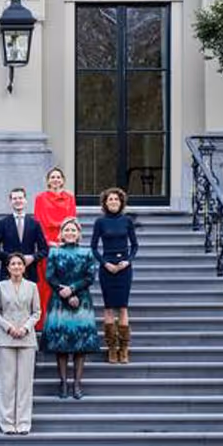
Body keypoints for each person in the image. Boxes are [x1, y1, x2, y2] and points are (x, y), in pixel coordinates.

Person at [42, 218, 100, 399]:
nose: (70, 233)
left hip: (81, 301)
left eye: (73, 230)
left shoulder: (87, 252)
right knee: (61, 344)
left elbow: (90, 276)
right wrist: (64, 291)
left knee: (80, 345)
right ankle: (63, 384)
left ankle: (77, 384)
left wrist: (73, 290)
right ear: (61, 233)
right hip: (59, 300)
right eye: (67, 230)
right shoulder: (54, 252)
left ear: (78, 234)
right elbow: (49, 276)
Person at [0, 253, 41, 435]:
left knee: (25, 383)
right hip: (6, 338)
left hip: (26, 338)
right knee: (7, 382)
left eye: (20, 264)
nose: (16, 267)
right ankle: (7, 422)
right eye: (13, 264)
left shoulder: (32, 286)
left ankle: (24, 422)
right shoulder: (1, 286)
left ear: (24, 267)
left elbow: (36, 312)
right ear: (8, 268)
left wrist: (25, 328)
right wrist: (9, 327)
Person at [91, 187, 138, 364]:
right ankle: (111, 348)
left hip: (124, 268)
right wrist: (105, 263)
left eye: (116, 200)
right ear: (105, 203)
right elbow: (94, 247)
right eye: (110, 199)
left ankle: (124, 349)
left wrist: (128, 261)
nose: (113, 202)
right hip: (107, 267)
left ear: (121, 202)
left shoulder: (127, 221)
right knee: (109, 308)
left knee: (123, 307)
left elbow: (134, 245)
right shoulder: (100, 222)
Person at [33, 166, 77, 327]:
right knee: (46, 283)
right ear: (48, 181)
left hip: (66, 240)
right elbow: (38, 221)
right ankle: (44, 319)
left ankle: (63, 318)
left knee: (66, 279)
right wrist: (47, 242)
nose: (56, 179)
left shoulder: (70, 198)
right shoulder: (40, 198)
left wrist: (66, 239)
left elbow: (72, 220)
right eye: (53, 177)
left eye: (59, 177)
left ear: (63, 180)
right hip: (47, 243)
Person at [0, 187, 49, 282]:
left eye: (20, 198)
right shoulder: (2, 223)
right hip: (8, 273)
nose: (18, 201)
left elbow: (45, 250)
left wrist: (33, 257)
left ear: (25, 200)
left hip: (29, 272)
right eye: (15, 198)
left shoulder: (35, 224)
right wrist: (9, 258)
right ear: (10, 201)